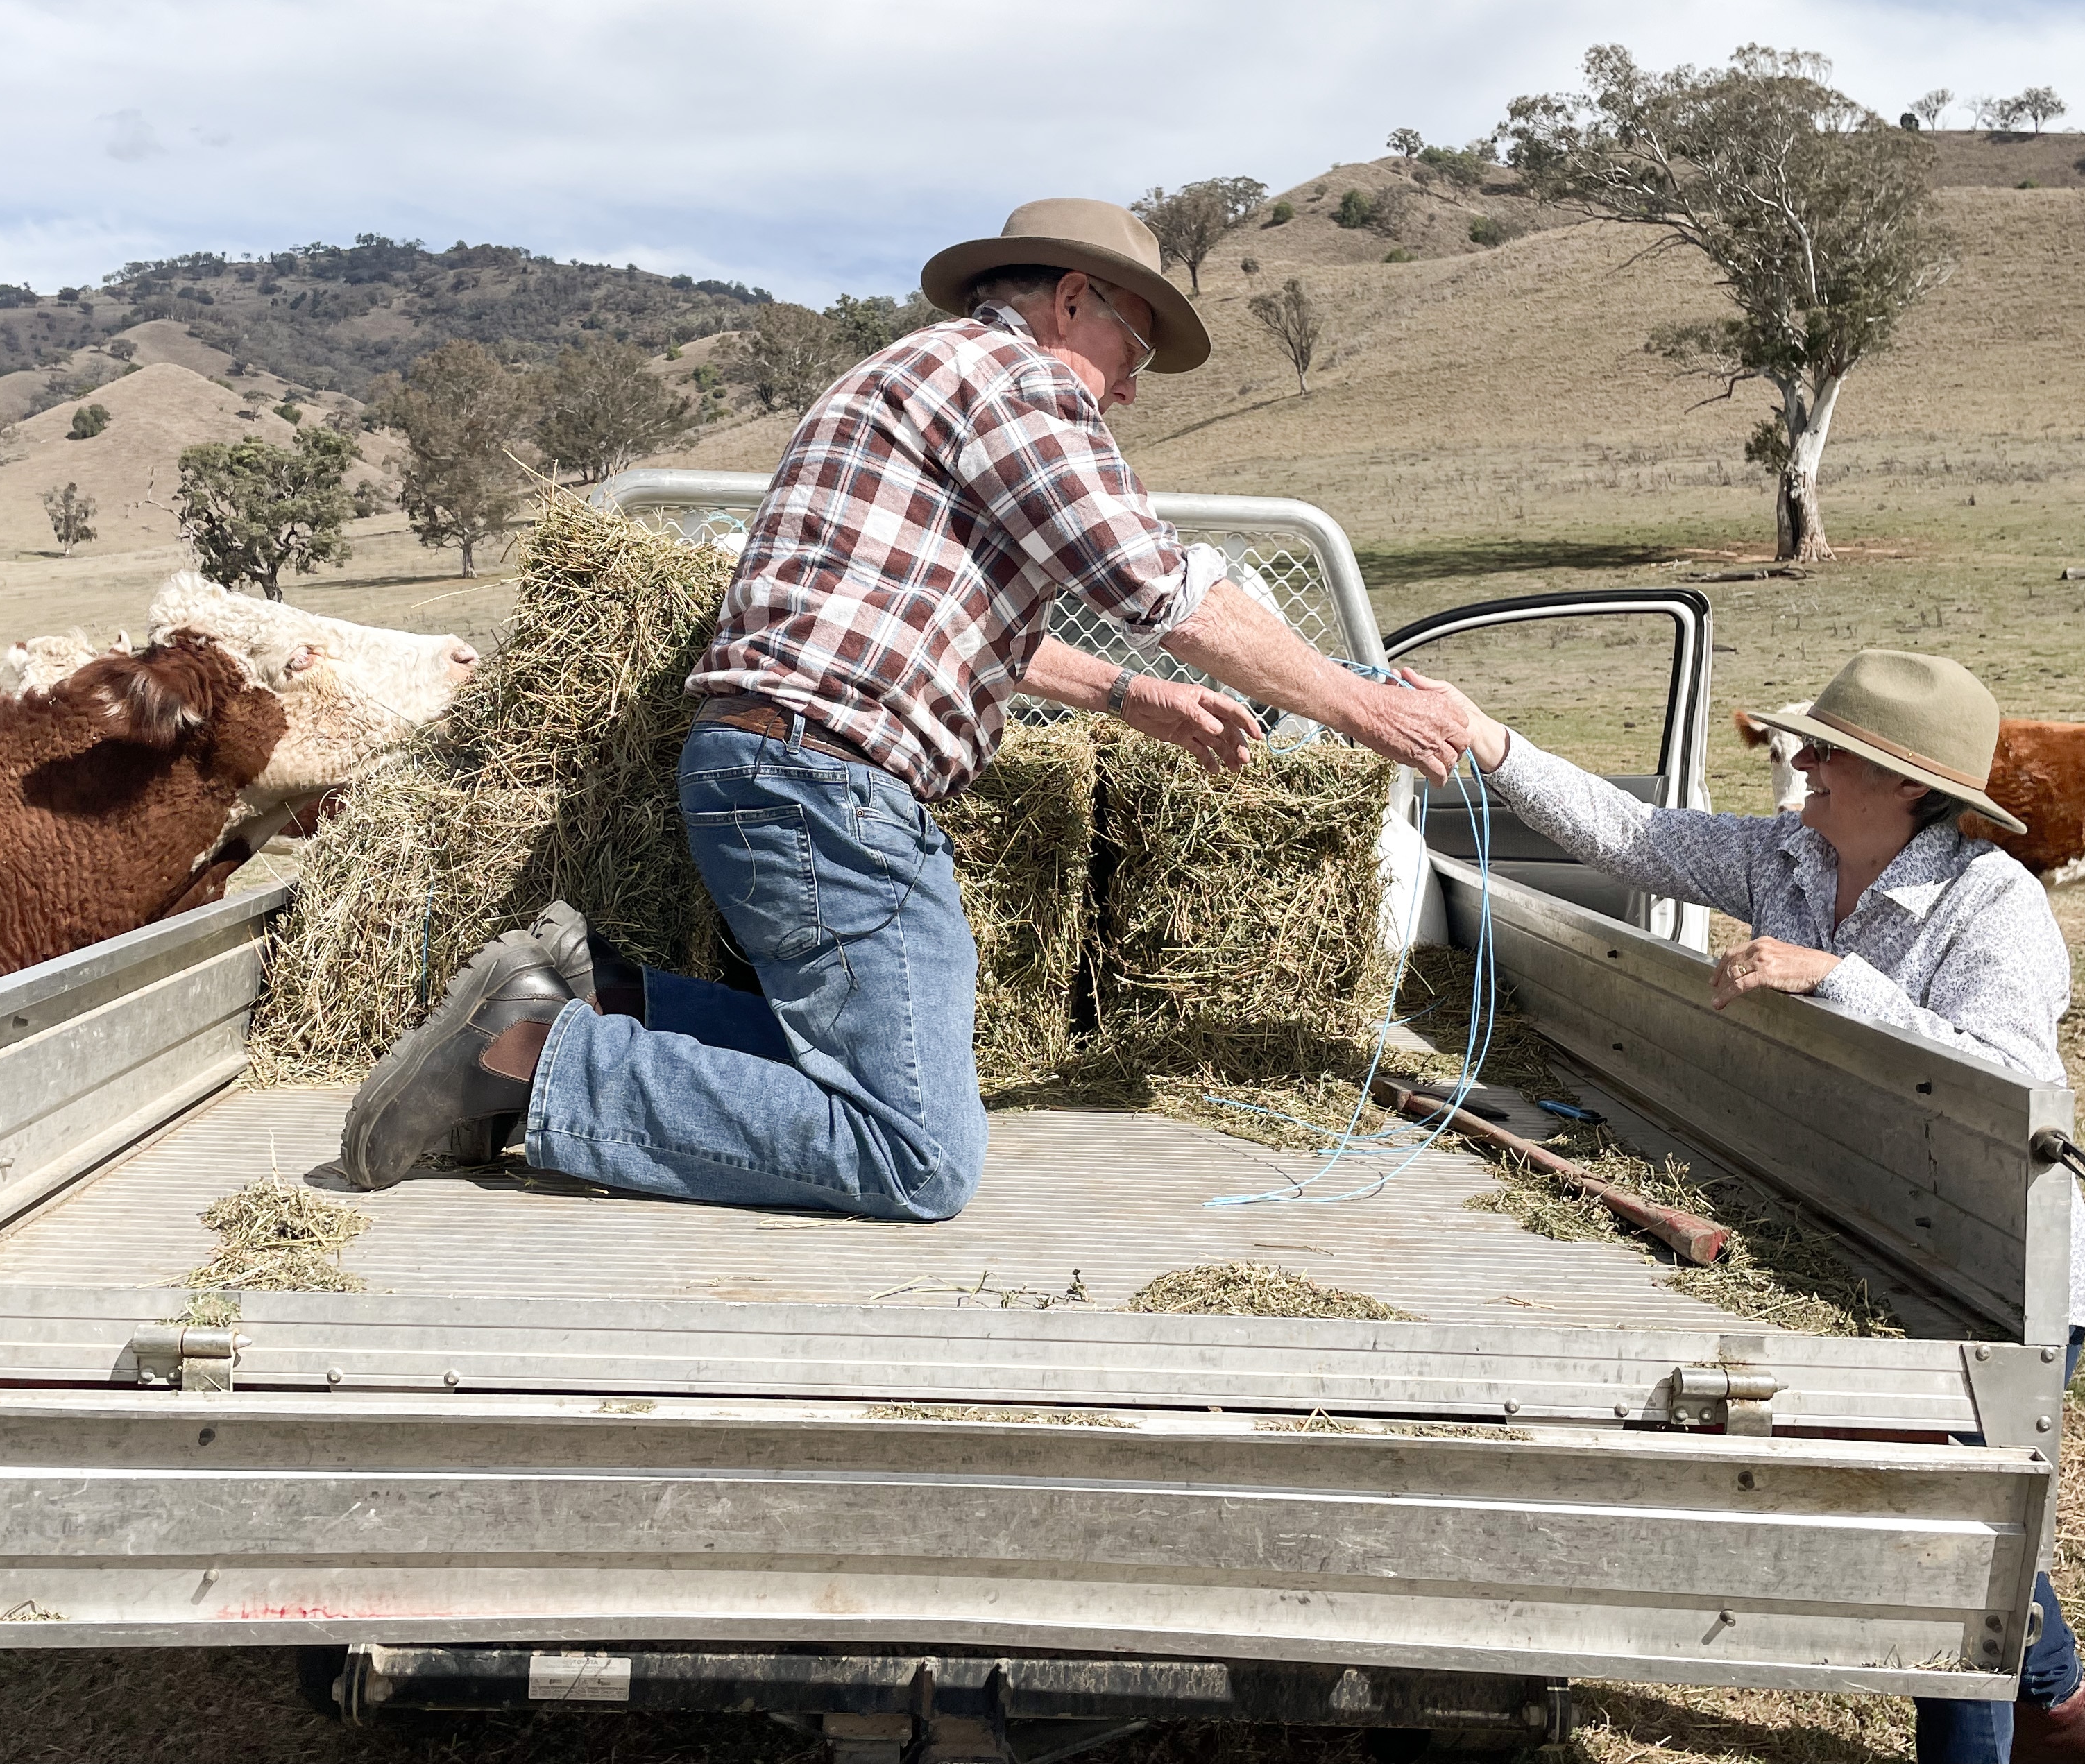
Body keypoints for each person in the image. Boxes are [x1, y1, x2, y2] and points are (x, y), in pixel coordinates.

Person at [339, 196, 1470, 1224]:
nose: (1131, 388)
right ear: (1072, 300)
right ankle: (533, 1057)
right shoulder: (1019, 383)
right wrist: (1365, 711)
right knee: (914, 1153)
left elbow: (939, 627)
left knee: (875, 1081)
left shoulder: (921, 377)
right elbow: (1160, 586)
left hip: (782, 768)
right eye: (1135, 346)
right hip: (831, 787)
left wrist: (1136, 697)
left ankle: (608, 995)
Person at [1406, 647, 2085, 1764]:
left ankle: (2013, 1730)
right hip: (1870, 1227)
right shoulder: (1792, 852)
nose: (1806, 762)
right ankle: (2063, 1704)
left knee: (1940, 1540)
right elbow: (1634, 836)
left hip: (1999, 1265)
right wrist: (1487, 740)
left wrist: (1835, 982)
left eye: (1835, 751)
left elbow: (2011, 1088)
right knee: (1963, 1521)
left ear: (1912, 786)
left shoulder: (1994, 909)